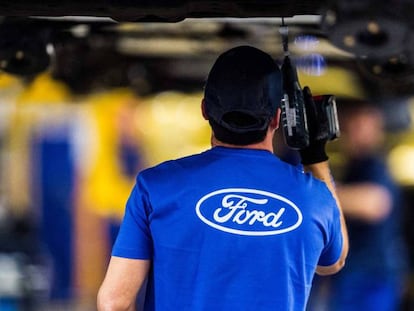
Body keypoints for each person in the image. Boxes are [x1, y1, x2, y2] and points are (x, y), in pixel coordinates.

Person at [97, 45, 348, 311]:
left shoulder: (155, 186)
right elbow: (333, 261)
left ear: (205, 110)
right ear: (277, 118)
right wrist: (315, 156)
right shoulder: (314, 196)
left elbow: (115, 303)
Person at [323, 101, 408, 311]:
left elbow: (374, 202)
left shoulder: (375, 164)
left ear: (377, 128)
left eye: (361, 123)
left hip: (372, 273)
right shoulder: (355, 166)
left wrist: (319, 195)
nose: (353, 129)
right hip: (354, 271)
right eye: (350, 123)